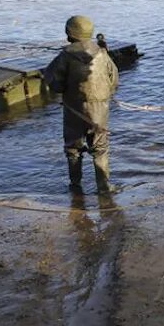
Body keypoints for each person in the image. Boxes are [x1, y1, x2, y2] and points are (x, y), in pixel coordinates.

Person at [43, 15, 120, 194]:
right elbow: (114, 80)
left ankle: (75, 186)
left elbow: (53, 81)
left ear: (69, 34)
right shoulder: (102, 54)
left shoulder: (65, 56)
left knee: (72, 148)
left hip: (73, 109)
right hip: (99, 109)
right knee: (100, 147)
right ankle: (104, 187)